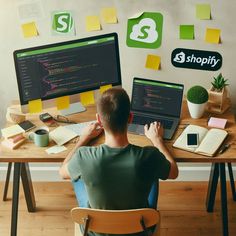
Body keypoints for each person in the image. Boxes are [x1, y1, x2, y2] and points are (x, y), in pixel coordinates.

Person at [59, 88, 178, 211]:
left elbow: (62, 172)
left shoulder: (83, 156)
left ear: (99, 119)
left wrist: (83, 139)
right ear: (130, 118)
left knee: (76, 173)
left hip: (94, 228)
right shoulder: (149, 156)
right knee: (153, 169)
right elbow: (174, 172)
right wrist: (157, 140)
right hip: (140, 227)